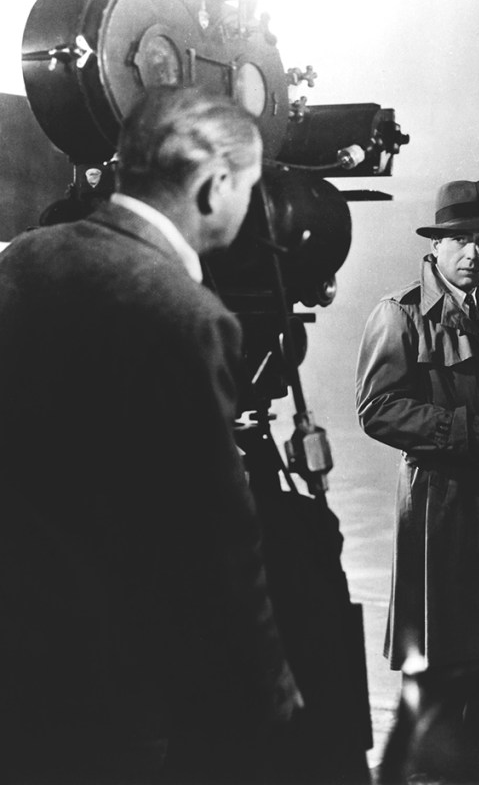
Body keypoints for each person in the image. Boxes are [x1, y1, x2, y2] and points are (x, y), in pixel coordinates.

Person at [0, 86, 302, 785]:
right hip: (107, 679)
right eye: (248, 188)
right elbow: (214, 531)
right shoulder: (184, 314)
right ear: (213, 185)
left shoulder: (24, 260)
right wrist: (267, 692)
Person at [355, 178, 479, 779]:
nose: (475, 252)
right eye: (462, 241)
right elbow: (377, 409)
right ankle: (427, 769)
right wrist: (473, 434)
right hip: (437, 501)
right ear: (437, 246)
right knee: (440, 648)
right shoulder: (398, 312)